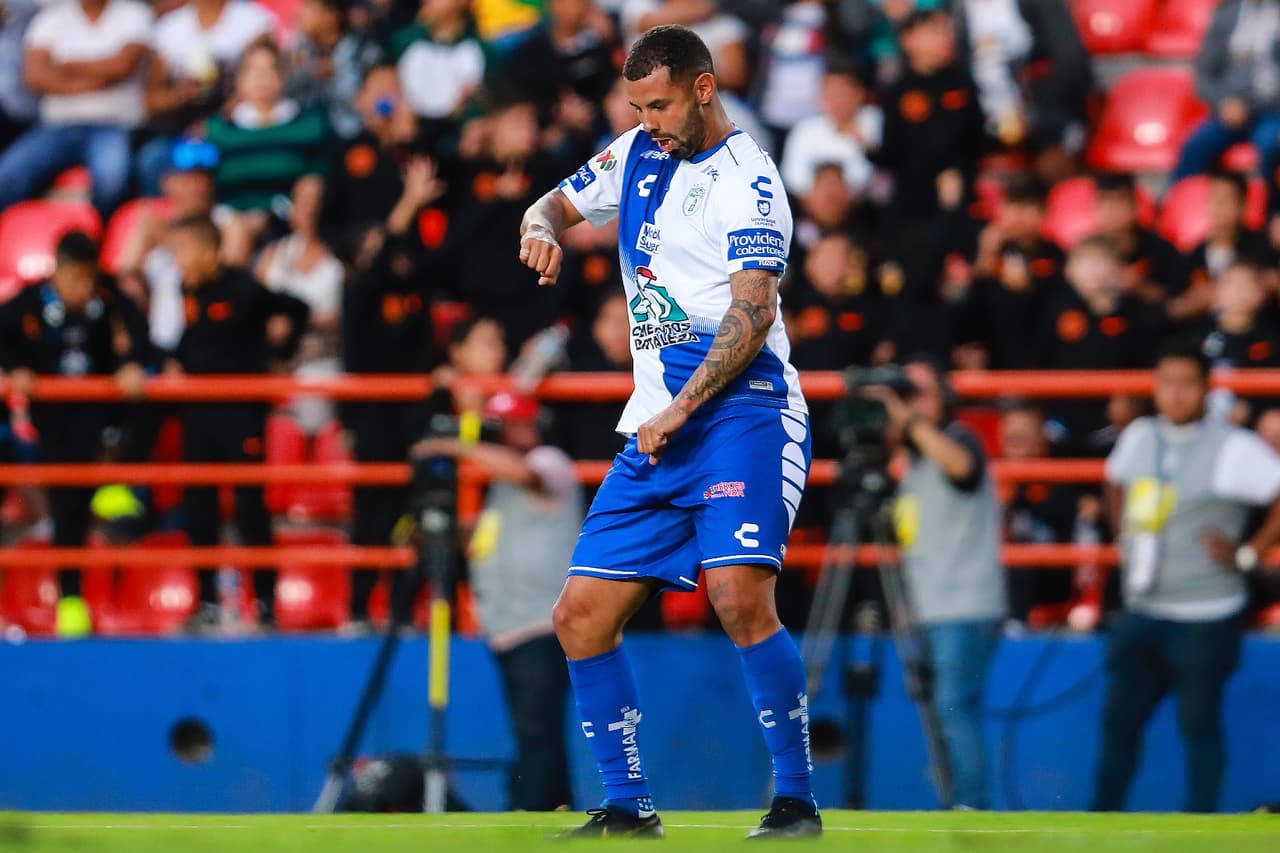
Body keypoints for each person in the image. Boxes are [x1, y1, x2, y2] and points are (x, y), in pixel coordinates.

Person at [518, 25, 819, 839]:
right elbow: (553, 202)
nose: (647, 122)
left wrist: (681, 409)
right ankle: (629, 808)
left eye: (658, 105)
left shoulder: (750, 181)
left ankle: (795, 800)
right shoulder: (636, 153)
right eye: (637, 108)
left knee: (738, 595)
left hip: (743, 413)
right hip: (657, 426)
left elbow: (753, 313)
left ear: (703, 88)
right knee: (580, 614)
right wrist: (539, 227)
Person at [1093, 338, 1280, 813]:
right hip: (1143, 606)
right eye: (1166, 383)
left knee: (1198, 727)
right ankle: (1101, 825)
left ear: (1206, 389)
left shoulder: (1233, 446)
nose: (1175, 394)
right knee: (1118, 723)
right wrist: (1124, 539)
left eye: (1187, 384)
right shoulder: (1140, 435)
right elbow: (1114, 480)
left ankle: (1202, 828)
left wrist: (1248, 553)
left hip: (1205, 612)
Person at [410, 391, 581, 812]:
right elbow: (485, 537)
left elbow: (526, 474)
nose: (509, 433)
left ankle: (530, 807)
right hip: (509, 626)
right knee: (535, 730)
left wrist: (454, 446)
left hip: (541, 622)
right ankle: (556, 808)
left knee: (536, 729)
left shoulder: (549, 461)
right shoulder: (502, 492)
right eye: (504, 425)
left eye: (515, 424)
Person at [860, 357, 1007, 810]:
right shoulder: (912, 462)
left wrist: (908, 422)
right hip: (930, 607)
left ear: (944, 396)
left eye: (918, 393)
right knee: (943, 713)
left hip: (966, 605)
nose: (909, 405)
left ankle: (972, 807)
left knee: (954, 707)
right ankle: (958, 803)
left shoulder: (959, 439)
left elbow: (962, 468)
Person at [166, 213, 311, 631]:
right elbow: (195, 339)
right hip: (198, 416)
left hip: (241, 417)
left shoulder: (245, 290)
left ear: (209, 251)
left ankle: (265, 601)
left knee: (249, 507)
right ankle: (207, 602)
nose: (178, 260)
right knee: (199, 509)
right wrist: (175, 361)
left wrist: (281, 355)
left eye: (183, 251)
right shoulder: (188, 290)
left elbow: (298, 308)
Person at [0, 232, 149, 637]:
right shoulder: (31, 301)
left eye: (88, 279)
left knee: (148, 403)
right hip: (56, 420)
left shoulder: (109, 295)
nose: (83, 289)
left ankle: (117, 480)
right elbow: (4, 334)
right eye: (75, 279)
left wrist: (132, 363)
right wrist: (17, 369)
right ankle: (70, 601)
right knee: (69, 509)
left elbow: (142, 334)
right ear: (58, 272)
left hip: (102, 415)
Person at [340, 158, 444, 630]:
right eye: (375, 247)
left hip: (413, 419)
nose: (389, 252)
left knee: (415, 516)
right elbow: (379, 265)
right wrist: (408, 204)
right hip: (373, 421)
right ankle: (359, 609)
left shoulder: (416, 289)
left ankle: (403, 613)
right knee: (371, 519)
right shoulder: (358, 294)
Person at [0, 0, 153, 218]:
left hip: (114, 125)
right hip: (58, 126)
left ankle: (98, 235)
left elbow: (121, 66)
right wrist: (99, 80)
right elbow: (35, 77)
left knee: (112, 181)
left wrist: (66, 66)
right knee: (7, 176)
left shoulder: (133, 13)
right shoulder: (51, 18)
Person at [137, 0, 275, 195]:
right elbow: (151, 99)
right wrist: (180, 95)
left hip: (236, 128)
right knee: (153, 158)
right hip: (181, 131)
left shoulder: (253, 22)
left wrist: (212, 125)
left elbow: (262, 81)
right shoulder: (170, 28)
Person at [1174, 0, 1280, 186]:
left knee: (1271, 147)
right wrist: (1223, 102)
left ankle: (1269, 202)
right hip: (1230, 110)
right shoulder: (1228, 12)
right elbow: (1203, 73)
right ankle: (1179, 200)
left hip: (1273, 111)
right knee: (1195, 148)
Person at [968, 172, 1064, 370]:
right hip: (995, 359)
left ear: (1043, 212)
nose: (1018, 215)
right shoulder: (989, 250)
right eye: (1013, 205)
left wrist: (1027, 288)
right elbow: (972, 310)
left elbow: (1059, 307)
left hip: (1044, 358)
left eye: (1027, 206)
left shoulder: (1055, 254)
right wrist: (985, 259)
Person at [780, 57, 880, 198]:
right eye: (830, 92)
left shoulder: (876, 122)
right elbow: (792, 177)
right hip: (813, 205)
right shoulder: (805, 130)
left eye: (843, 93)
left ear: (860, 93)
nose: (836, 100)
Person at [286, 0, 385, 141]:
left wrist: (336, 76)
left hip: (357, 137)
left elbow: (376, 103)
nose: (300, 14)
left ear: (331, 15)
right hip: (310, 139)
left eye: (310, 8)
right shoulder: (300, 51)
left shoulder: (364, 52)